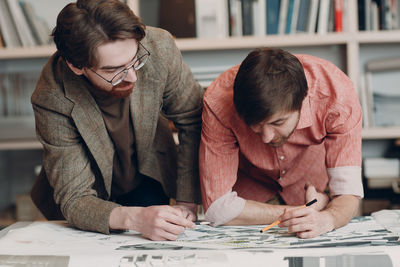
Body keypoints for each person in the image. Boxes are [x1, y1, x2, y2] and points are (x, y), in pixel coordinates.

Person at [30, 0, 204, 241]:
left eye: (135, 60)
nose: (132, 76)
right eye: (114, 70)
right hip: (89, 195)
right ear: (77, 66)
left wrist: (187, 201)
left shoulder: (159, 47)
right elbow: (76, 198)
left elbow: (193, 120)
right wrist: (134, 218)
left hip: (148, 172)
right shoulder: (52, 95)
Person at [199, 47, 363, 238]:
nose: (267, 137)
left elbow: (348, 193)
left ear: (302, 100)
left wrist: (327, 218)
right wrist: (300, 212)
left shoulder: (338, 97)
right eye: (255, 125)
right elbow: (217, 208)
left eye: (278, 122)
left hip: (313, 188)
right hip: (250, 197)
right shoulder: (218, 102)